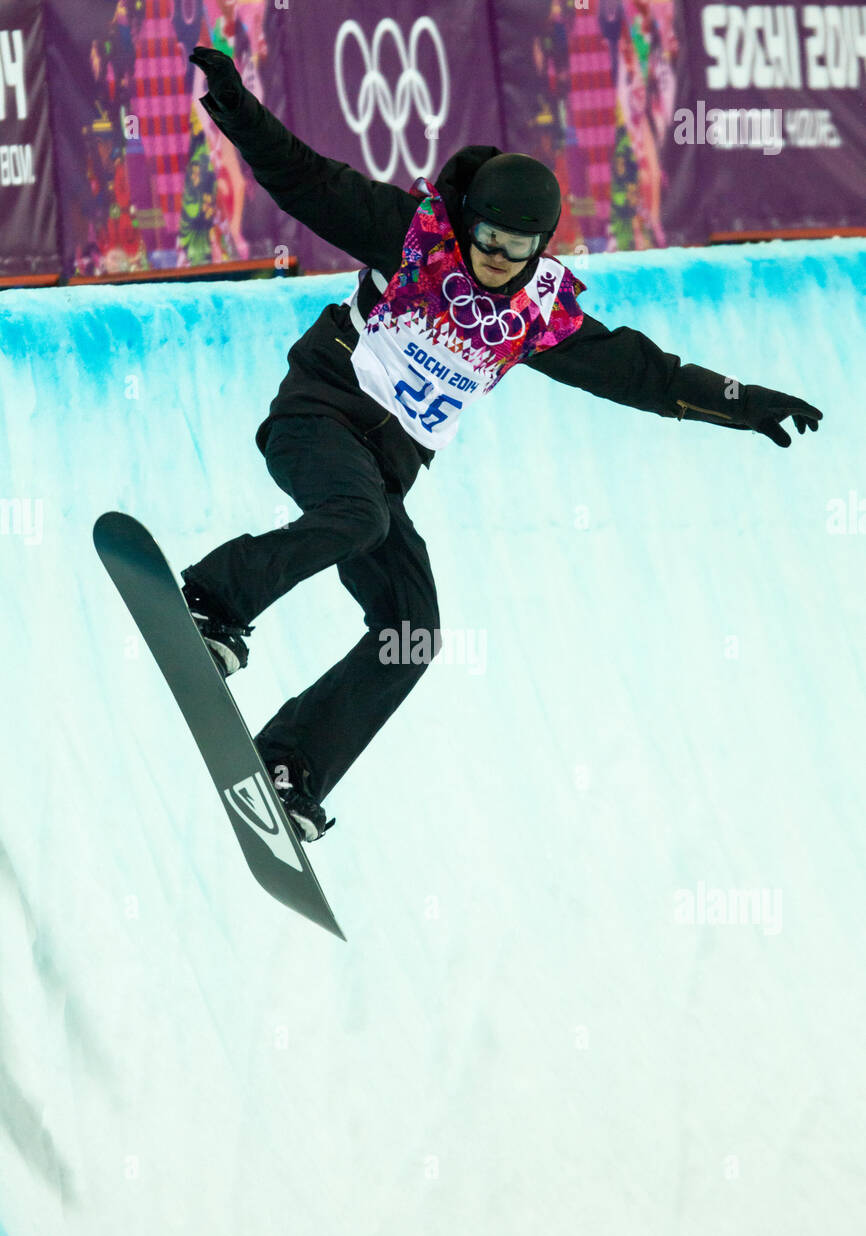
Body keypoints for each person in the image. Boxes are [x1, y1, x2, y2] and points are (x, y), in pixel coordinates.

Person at [179, 46, 822, 844]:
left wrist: (740, 402)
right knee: (357, 519)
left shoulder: (538, 315)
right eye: (485, 237)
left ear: (539, 247)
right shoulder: (412, 237)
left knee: (411, 628)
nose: (494, 259)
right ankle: (211, 598)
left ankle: (291, 765)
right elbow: (306, 179)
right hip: (318, 415)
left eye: (517, 249)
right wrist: (237, 109)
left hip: (381, 476)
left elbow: (641, 374)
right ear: (466, 221)